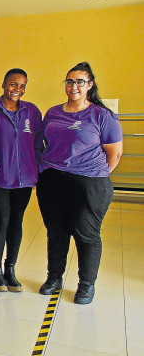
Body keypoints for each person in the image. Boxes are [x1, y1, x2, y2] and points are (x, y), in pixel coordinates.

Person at [36, 62, 123, 304]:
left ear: (90, 85)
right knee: (56, 232)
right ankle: (54, 277)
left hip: (89, 183)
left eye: (79, 82)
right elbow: (46, 142)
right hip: (52, 180)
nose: (74, 86)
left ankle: (86, 284)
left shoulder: (102, 116)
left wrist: (92, 175)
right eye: (70, 81)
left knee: (87, 234)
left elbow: (114, 154)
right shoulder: (53, 113)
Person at [0, 69, 43, 292]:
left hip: (24, 180)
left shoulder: (32, 112)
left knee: (17, 222)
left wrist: (35, 171)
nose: (17, 89)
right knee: (1, 221)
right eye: (13, 84)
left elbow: (37, 144)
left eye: (22, 85)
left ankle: (10, 269)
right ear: (3, 84)